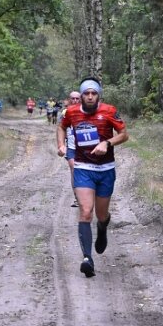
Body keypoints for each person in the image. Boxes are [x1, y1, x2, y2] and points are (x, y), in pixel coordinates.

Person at [57, 78, 128, 278]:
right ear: (81, 96)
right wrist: (61, 145)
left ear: (98, 95)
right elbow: (62, 127)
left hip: (105, 168)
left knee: (101, 214)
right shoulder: (71, 112)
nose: (89, 96)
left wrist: (107, 143)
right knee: (86, 211)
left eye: (93, 93)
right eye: (86, 93)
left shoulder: (109, 111)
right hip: (83, 167)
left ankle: (103, 227)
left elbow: (124, 134)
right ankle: (87, 258)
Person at [59, 91, 82, 207]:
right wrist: (61, 146)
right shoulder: (64, 113)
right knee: (74, 170)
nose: (75, 101)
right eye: (72, 98)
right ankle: (77, 198)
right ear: (69, 100)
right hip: (72, 147)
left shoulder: (87, 112)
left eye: (77, 98)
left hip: (85, 148)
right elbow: (61, 129)